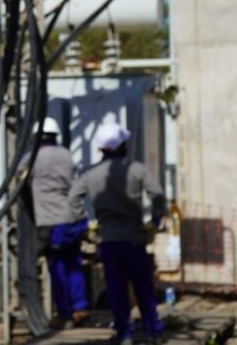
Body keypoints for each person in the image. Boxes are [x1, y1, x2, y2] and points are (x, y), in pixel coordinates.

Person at [68, 123, 167, 345]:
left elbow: (73, 198)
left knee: (116, 288)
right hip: (134, 237)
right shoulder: (137, 169)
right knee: (143, 286)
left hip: (108, 239)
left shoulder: (90, 174)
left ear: (101, 149)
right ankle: (153, 331)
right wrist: (156, 220)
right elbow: (158, 195)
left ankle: (123, 333)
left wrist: (85, 222)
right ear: (122, 146)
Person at [30, 118, 88, 329]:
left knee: (58, 267)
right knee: (74, 263)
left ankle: (64, 314)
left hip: (52, 221)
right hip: (74, 217)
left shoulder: (33, 157)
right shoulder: (66, 154)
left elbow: (18, 178)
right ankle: (80, 307)